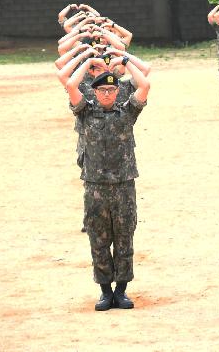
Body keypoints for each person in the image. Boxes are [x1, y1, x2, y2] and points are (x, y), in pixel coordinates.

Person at [65, 55, 150, 311]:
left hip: (124, 186)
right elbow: (70, 84)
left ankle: (121, 290)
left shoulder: (127, 112)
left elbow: (144, 84)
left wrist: (125, 59)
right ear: (94, 91)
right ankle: (104, 291)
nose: (107, 94)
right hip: (96, 187)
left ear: (117, 91)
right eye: (102, 90)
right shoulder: (85, 112)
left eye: (112, 89)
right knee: (98, 240)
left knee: (124, 239)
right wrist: (85, 58)